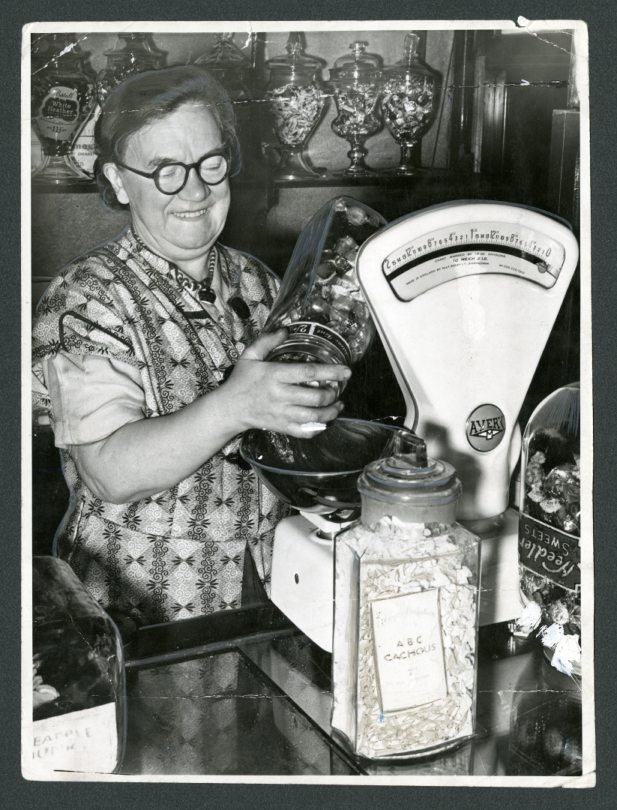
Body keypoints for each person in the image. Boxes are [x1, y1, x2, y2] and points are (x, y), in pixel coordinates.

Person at [32, 65, 350, 626]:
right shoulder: (86, 296)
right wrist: (236, 405)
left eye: (211, 162)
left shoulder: (259, 282)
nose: (197, 190)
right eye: (165, 171)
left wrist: (313, 413)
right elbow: (108, 470)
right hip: (140, 606)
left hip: (271, 585)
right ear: (117, 180)